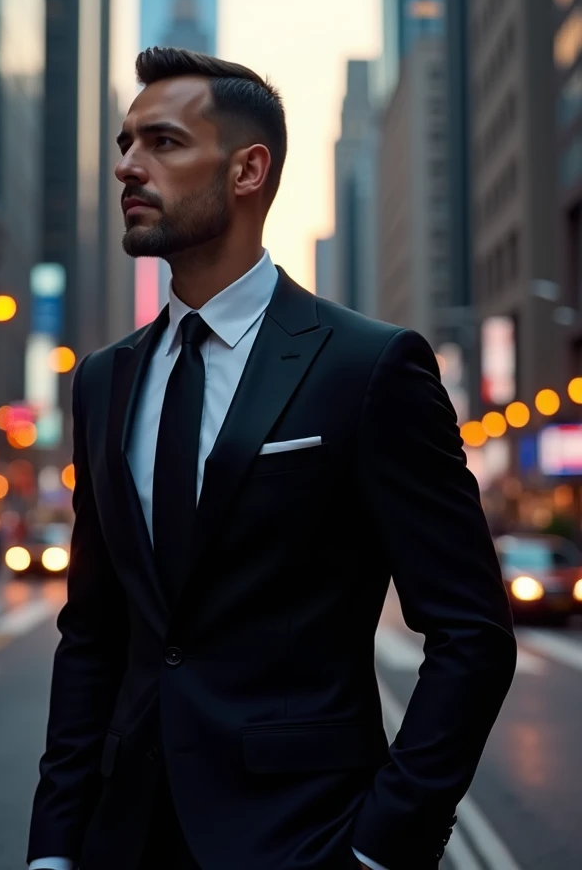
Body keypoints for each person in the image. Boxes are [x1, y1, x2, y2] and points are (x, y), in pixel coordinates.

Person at [28, 48, 517, 870]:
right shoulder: (103, 381)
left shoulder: (368, 367)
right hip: (121, 840)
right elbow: (93, 634)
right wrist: (53, 850)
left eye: (163, 142)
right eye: (124, 144)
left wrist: (380, 849)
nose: (127, 166)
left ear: (249, 169)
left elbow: (472, 634)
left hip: (304, 837)